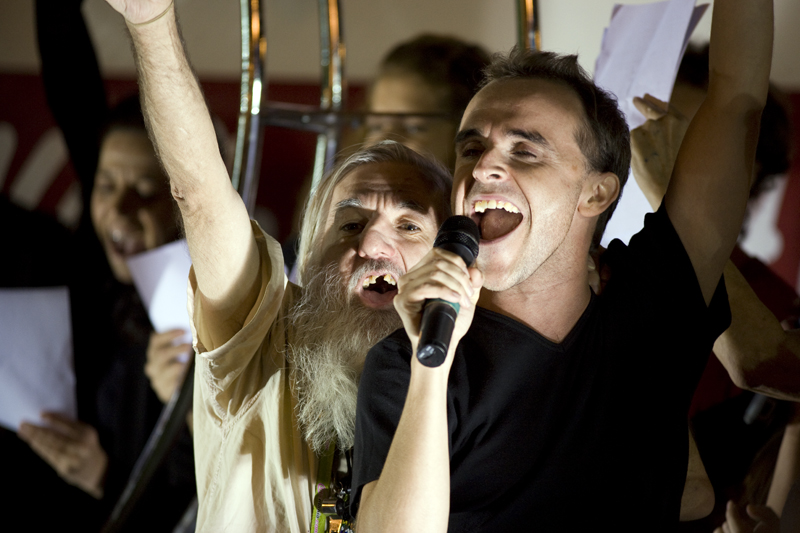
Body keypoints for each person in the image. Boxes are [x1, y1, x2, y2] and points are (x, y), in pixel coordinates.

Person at [352, 0, 773, 530]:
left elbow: (737, 98)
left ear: (596, 193)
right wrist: (429, 369)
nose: (483, 167)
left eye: (525, 151)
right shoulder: (406, 361)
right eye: (472, 148)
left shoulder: (654, 308)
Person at [101, 1, 453, 531]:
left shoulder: (471, 385)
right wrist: (150, 22)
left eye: (408, 226)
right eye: (349, 225)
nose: (373, 243)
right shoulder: (262, 338)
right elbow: (201, 195)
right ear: (307, 258)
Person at [12, 2, 196, 530]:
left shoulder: (208, 316)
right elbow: (74, 93)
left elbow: (201, 508)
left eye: (146, 191)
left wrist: (102, 478)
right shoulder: (86, 260)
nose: (119, 209)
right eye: (106, 185)